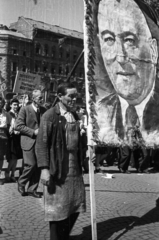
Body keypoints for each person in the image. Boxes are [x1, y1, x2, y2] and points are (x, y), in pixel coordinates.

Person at [94, 0, 159, 147]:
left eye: (130, 40)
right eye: (109, 39)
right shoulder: (101, 110)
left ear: (153, 50)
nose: (120, 57)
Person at [36, 82, 86, 240]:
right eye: (70, 96)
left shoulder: (75, 115)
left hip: (74, 168)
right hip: (57, 168)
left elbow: (79, 142)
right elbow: (42, 143)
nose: (73, 99)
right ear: (59, 96)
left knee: (75, 206)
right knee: (57, 210)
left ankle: (64, 236)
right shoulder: (50, 115)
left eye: (75, 96)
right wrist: (44, 169)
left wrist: (87, 149)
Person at [15, 90, 46, 197]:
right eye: (40, 98)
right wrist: (33, 132)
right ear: (33, 98)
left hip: (40, 143)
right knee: (31, 165)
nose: (42, 100)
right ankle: (21, 182)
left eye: (42, 98)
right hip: (28, 142)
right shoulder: (25, 109)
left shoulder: (44, 110)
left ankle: (32, 189)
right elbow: (18, 126)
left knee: (38, 166)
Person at [6, 98, 22, 182]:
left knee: (16, 158)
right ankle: (7, 173)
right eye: (14, 105)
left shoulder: (19, 114)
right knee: (12, 157)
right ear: (11, 105)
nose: (16, 106)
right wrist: (11, 130)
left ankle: (12, 174)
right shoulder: (8, 114)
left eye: (17, 105)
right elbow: (7, 125)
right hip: (11, 138)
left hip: (18, 137)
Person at [0, 97, 10, 185]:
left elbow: (7, 125)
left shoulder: (5, 113)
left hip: (3, 138)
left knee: (1, 157)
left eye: (1, 103)